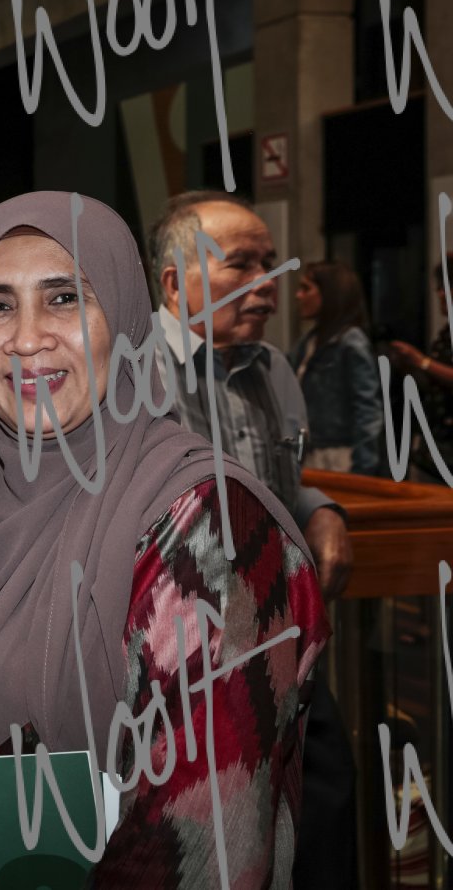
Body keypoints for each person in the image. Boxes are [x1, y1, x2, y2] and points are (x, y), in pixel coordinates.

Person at [0, 191, 328, 886]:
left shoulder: (210, 526)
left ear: (124, 320)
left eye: (64, 298)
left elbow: (203, 846)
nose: (27, 338)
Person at [149, 190, 357, 888]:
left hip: (284, 650)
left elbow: (280, 479)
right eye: (241, 265)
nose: (269, 283)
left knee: (324, 819)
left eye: (270, 263)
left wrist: (320, 509)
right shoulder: (125, 371)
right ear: (174, 282)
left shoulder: (274, 369)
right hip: (180, 672)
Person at [290, 261, 383, 475]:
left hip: (339, 456)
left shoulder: (350, 342)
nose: (298, 295)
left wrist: (363, 468)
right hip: (311, 451)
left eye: (306, 288)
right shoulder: (309, 342)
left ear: (329, 294)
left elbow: (367, 408)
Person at [387, 256, 453, 478]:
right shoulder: (446, 333)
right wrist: (408, 367)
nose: (440, 294)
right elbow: (436, 386)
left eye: (447, 287)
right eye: (440, 288)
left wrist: (421, 361)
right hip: (434, 445)